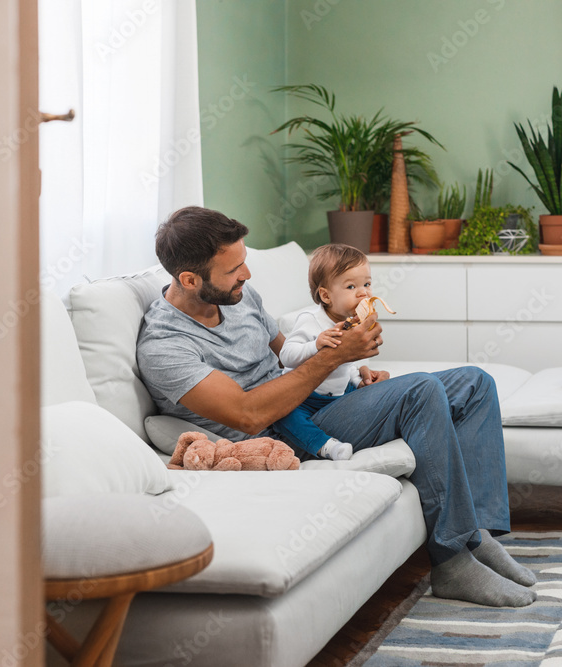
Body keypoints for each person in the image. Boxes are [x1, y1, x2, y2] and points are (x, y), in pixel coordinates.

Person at [136, 206, 537, 607]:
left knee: (475, 383)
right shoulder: (165, 346)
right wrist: (334, 358)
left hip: (313, 404)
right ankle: (452, 563)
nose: (247, 275)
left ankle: (476, 534)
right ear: (189, 280)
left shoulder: (240, 297)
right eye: (234, 269)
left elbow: (289, 355)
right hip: (281, 436)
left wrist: (354, 367)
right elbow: (248, 414)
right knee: (421, 391)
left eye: (245, 262)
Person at [273, 244, 384, 462]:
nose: (364, 293)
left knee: (374, 391)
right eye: (351, 287)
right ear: (326, 296)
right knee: (283, 417)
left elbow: (347, 364)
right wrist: (315, 345)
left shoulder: (353, 323)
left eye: (367, 284)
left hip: (339, 394)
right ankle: (326, 446)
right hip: (304, 397)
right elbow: (286, 355)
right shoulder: (310, 320)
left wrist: (360, 377)